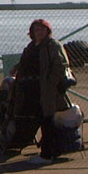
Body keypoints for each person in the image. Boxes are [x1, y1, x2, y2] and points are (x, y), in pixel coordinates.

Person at [12, 18, 72, 166]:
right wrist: (16, 68)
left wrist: (50, 83)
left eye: (41, 29)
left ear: (47, 31)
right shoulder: (32, 45)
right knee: (38, 119)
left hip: (46, 90)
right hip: (31, 89)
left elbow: (61, 65)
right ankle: (51, 151)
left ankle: (47, 154)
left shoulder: (52, 45)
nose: (39, 32)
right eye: (36, 29)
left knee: (47, 121)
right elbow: (27, 61)